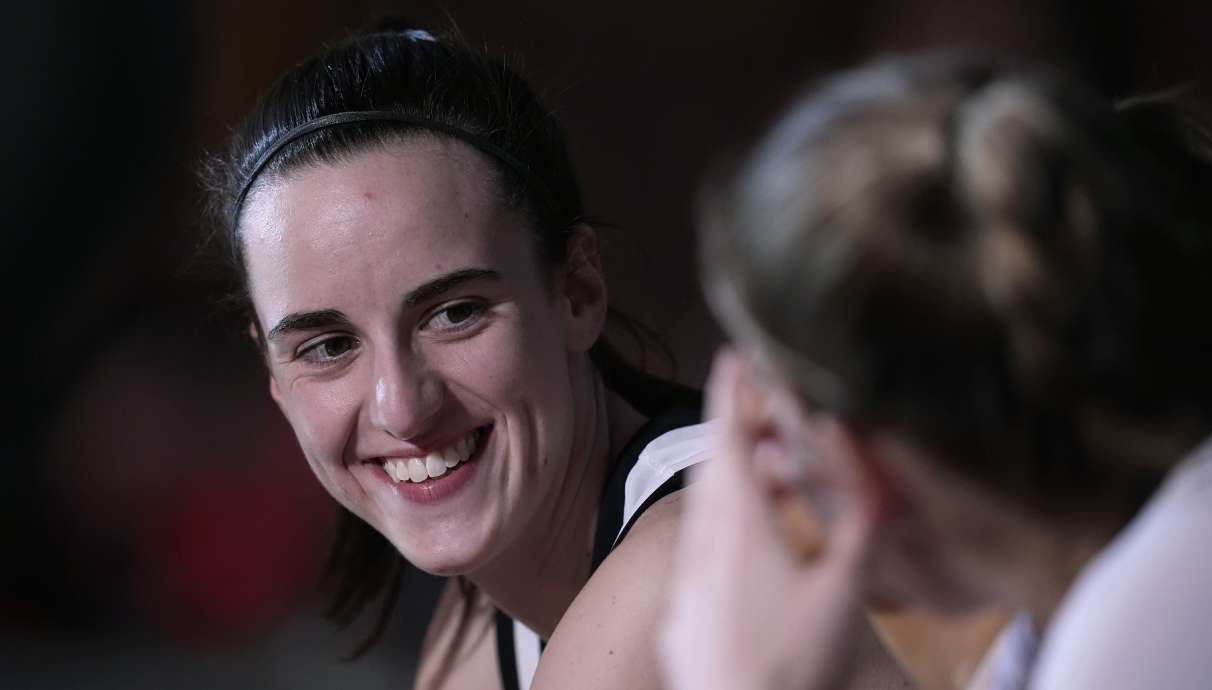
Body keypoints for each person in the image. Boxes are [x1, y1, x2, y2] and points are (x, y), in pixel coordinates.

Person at [201, 20, 911, 690]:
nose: (403, 406)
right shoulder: (483, 623)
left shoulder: (682, 565)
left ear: (577, 291)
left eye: (454, 313)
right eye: (328, 347)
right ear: (272, 373)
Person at [660, 56, 1212, 690]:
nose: (761, 470)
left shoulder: (1144, 636)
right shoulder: (1102, 591)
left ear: (853, 460)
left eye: (769, 418)